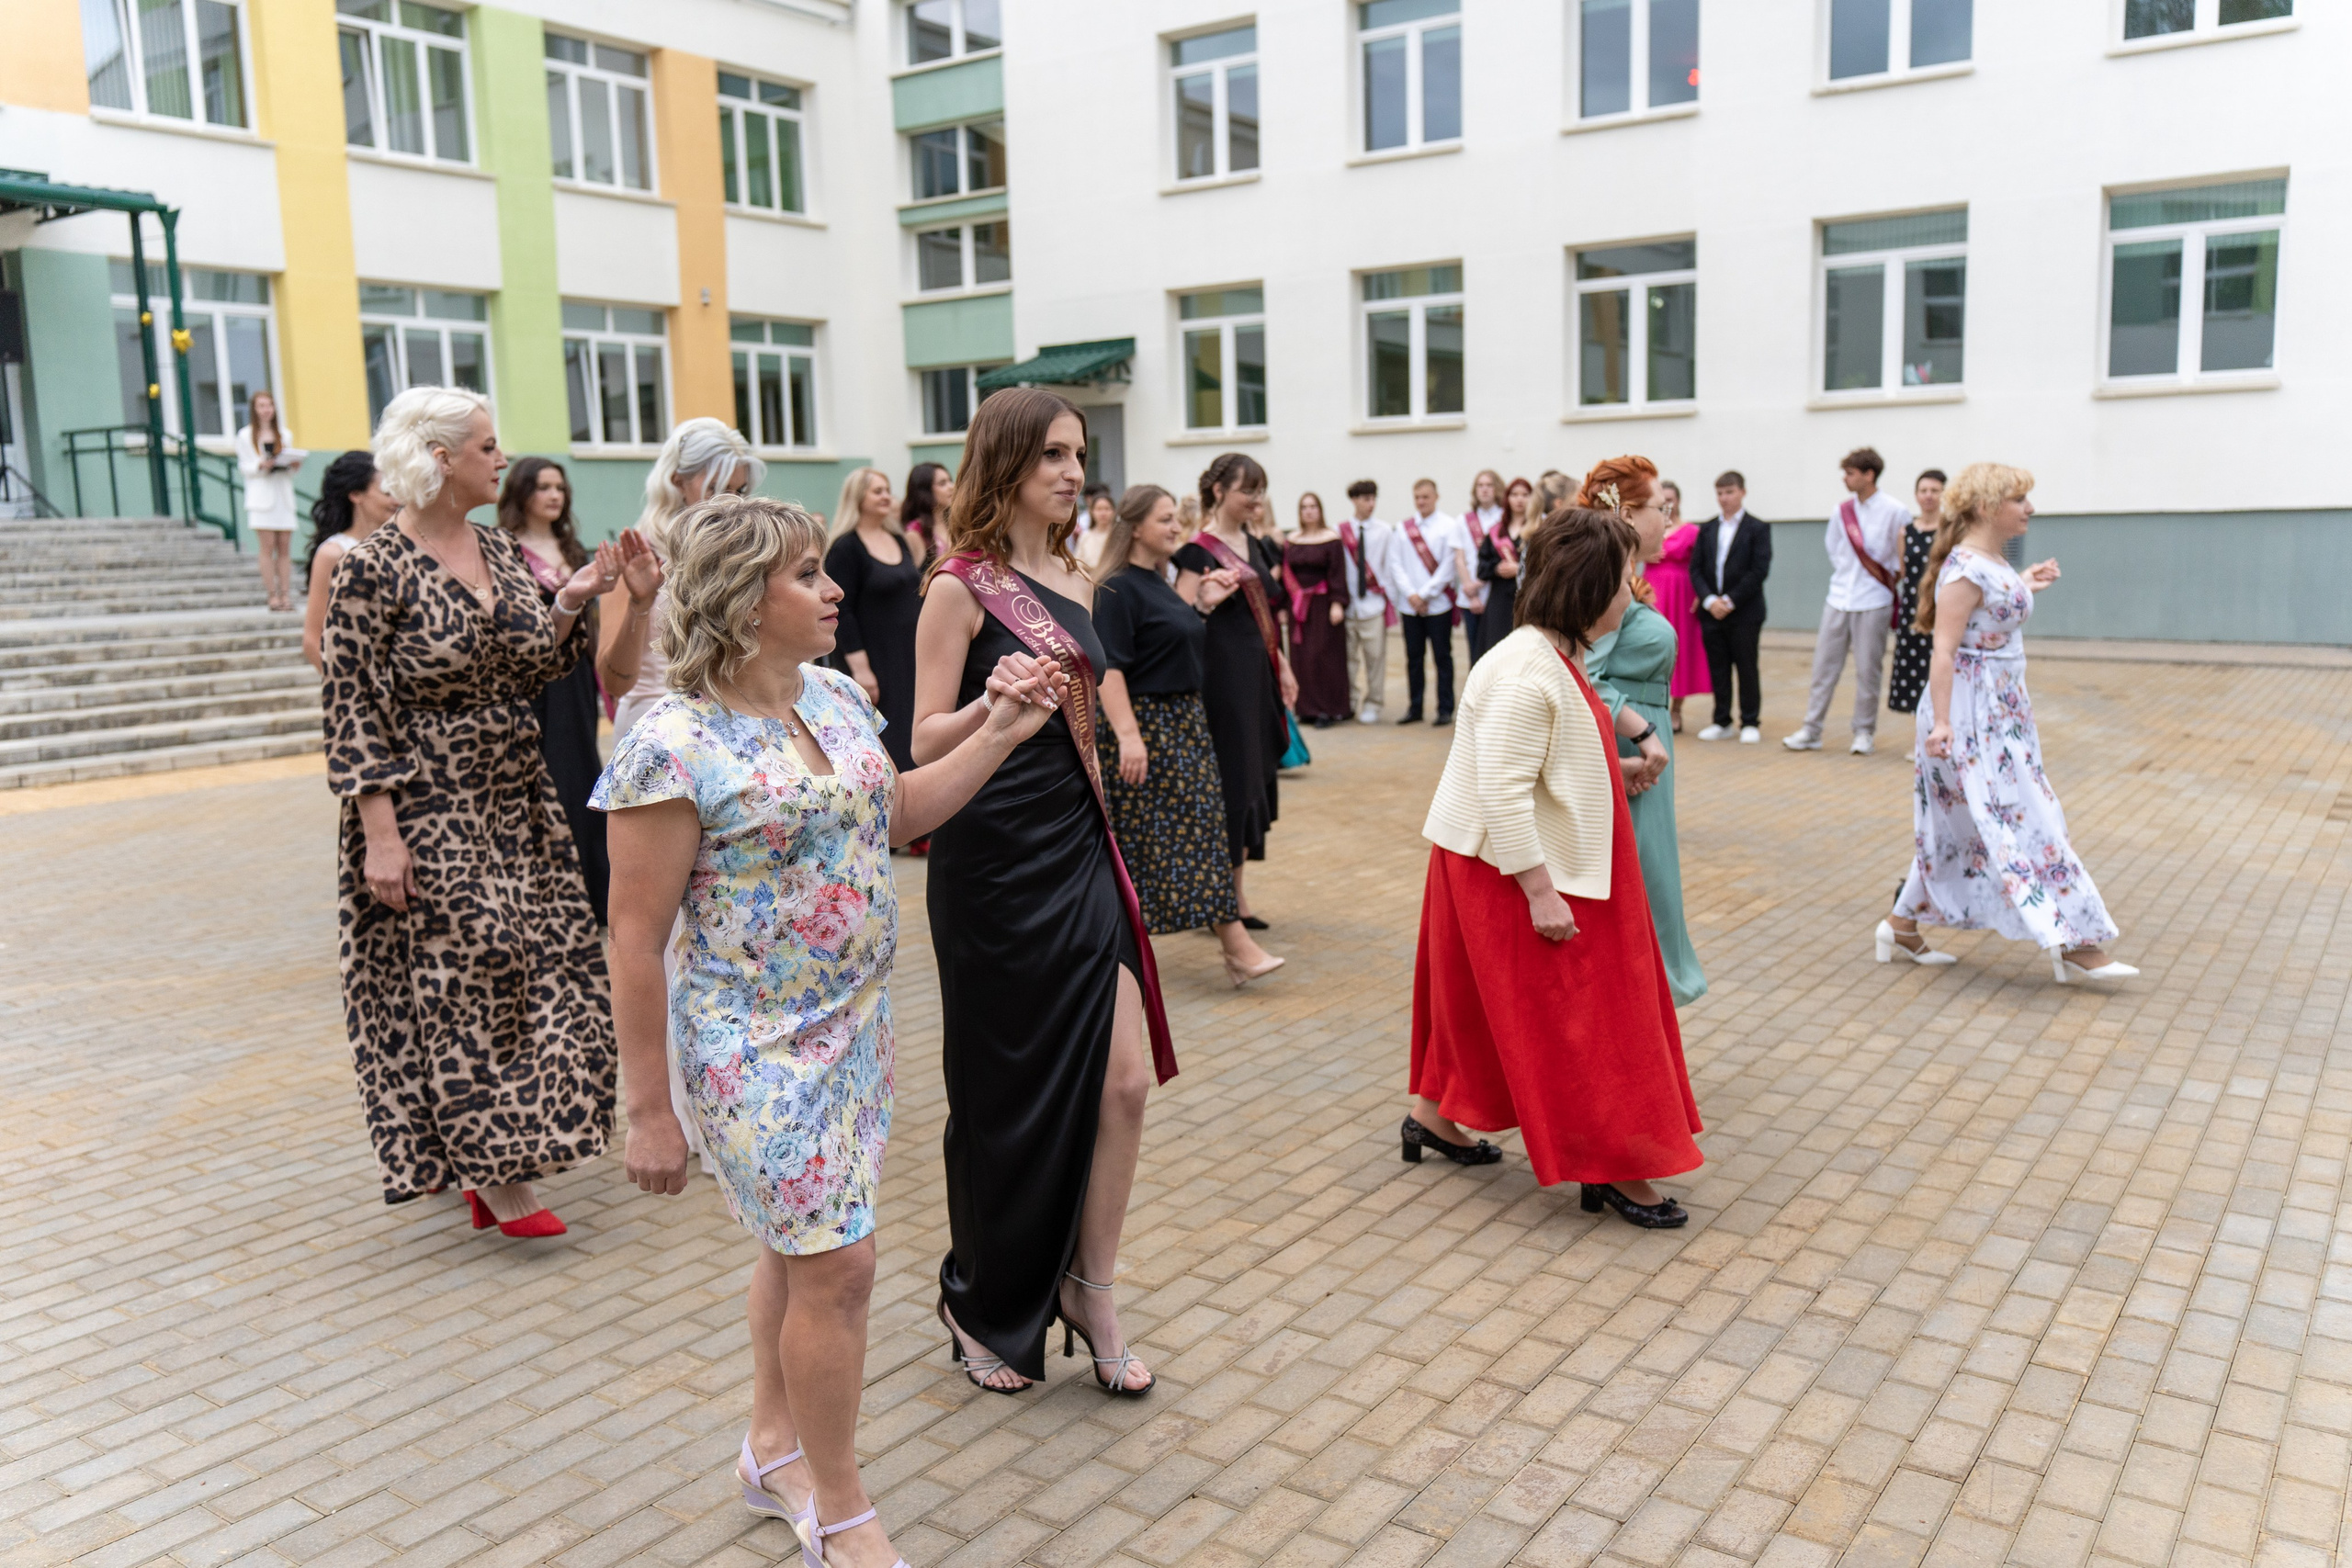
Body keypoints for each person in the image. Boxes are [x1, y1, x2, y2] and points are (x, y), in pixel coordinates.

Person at [600, 492, 1061, 1568]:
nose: (835, 588)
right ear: (737, 597)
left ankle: (771, 1450)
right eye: (806, 573)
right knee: (841, 1266)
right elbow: (633, 938)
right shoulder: (670, 742)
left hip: (855, 1031)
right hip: (749, 1047)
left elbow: (897, 815)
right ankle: (842, 1511)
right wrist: (649, 1109)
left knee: (801, 1249)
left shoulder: (837, 698)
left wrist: (1000, 730)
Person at [322, 386, 640, 1235]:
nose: (502, 459)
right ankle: (493, 1173)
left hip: (517, 793)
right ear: (439, 458)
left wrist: (572, 597)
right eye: (488, 446)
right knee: (468, 974)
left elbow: (535, 662)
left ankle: (507, 1146)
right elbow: (352, 704)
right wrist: (380, 836)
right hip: (426, 801)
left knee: (552, 962)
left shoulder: (497, 548)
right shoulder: (371, 566)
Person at [912, 388, 1180, 1396]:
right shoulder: (959, 588)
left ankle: (1088, 1287)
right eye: (1054, 455)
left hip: (1077, 847)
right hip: (993, 864)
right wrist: (992, 702)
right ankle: (977, 1297)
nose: (1074, 472)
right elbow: (921, 741)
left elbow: (1093, 708)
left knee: (1124, 1082)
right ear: (1008, 462)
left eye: (1079, 454)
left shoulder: (1075, 573)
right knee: (1006, 1096)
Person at [1406, 503, 1703, 1226]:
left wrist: (1613, 770)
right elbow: (1504, 789)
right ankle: (1614, 1164)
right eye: (1622, 581)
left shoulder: (1547, 653)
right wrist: (1540, 893)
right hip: (1514, 870)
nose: (1631, 593)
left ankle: (1433, 1117)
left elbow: (1543, 758)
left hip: (1511, 859)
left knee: (1481, 1005)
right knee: (1590, 1016)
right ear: (1587, 589)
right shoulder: (1524, 669)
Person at [1881, 464, 2140, 985]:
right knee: (2025, 817)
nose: (2030, 509)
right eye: (2019, 499)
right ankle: (2075, 939)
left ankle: (1901, 924)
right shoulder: (1963, 570)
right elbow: (1944, 652)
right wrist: (1942, 725)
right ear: (1986, 507)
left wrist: (2023, 584)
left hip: (2003, 713)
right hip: (1969, 717)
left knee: (1968, 824)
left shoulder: (1992, 562)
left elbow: (1986, 617)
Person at [1091, 485, 1283, 984]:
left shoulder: (1157, 580)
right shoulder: (1116, 588)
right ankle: (1235, 946)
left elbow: (1164, 645)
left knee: (1190, 835)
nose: (1177, 527)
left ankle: (1129, 950)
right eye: (1165, 519)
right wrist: (1129, 736)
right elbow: (1111, 669)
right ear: (1136, 528)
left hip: (1183, 723)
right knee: (1188, 835)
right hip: (1150, 727)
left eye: (1175, 518)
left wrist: (1201, 608)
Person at [1582, 458, 1708, 1007]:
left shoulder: (1626, 576)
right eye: (1663, 508)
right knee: (1640, 886)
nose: (1670, 520)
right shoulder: (1609, 579)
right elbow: (1581, 675)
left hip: (1640, 748)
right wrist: (1645, 733)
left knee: (1649, 883)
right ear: (1628, 514)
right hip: (1628, 754)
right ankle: (1637, 1009)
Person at [1176, 453, 1297, 932]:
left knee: (1253, 780)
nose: (1256, 499)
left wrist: (1283, 667)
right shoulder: (1196, 552)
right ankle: (1224, 901)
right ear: (1219, 490)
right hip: (1222, 680)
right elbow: (1179, 621)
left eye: (1260, 490)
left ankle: (1234, 894)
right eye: (1248, 490)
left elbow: (1265, 616)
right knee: (1233, 783)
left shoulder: (1257, 544)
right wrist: (1205, 603)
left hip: (1259, 674)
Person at [498, 457, 613, 925]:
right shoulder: (503, 550)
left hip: (576, 677)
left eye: (559, 488)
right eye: (543, 487)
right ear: (521, 492)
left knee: (584, 771)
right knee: (549, 774)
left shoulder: (572, 548)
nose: (553, 496)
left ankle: (594, 889)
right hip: (534, 681)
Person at [601, 419, 764, 742]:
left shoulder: (740, 556)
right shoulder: (639, 557)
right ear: (678, 482)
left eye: (739, 491)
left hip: (730, 720)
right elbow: (614, 682)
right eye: (717, 489)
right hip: (655, 727)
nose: (731, 503)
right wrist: (641, 602)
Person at [1786, 446, 1905, 755]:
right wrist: (1847, 574)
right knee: (1823, 668)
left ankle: (1864, 732)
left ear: (1869, 475)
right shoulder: (1842, 511)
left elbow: (1900, 556)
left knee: (1868, 671)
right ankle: (1811, 729)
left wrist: (1880, 579)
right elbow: (1834, 547)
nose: (1845, 479)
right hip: (1839, 597)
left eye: (1850, 473)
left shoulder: (1895, 510)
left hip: (1874, 599)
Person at [824, 468, 925, 776]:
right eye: (877, 491)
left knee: (912, 730)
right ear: (858, 497)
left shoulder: (898, 539)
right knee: (890, 737)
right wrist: (861, 670)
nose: (886, 496)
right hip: (875, 661)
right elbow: (842, 611)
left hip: (908, 656)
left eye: (887, 490)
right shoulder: (846, 547)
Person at [1691, 471, 1770, 744]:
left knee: (1746, 666)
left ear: (1742, 492)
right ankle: (1721, 720)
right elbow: (1696, 569)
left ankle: (1750, 720)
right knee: (1718, 667)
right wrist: (1709, 600)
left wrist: (1730, 600)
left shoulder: (1757, 528)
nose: (1724, 498)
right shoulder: (1707, 528)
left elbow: (1758, 570)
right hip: (1712, 611)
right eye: (1720, 493)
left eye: (1729, 492)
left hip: (1744, 611)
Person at [301, 450, 398, 671]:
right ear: (356, 494)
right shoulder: (334, 553)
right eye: (387, 492)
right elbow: (313, 639)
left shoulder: (401, 546)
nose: (397, 501)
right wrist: (347, 686)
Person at [1385, 478, 1465, 726]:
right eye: (1417, 497)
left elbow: (1449, 566)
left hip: (1438, 604)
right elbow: (1395, 564)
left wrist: (1426, 594)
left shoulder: (1449, 526)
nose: (1421, 502)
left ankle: (1445, 709)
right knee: (1414, 658)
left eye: (1426, 497)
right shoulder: (1403, 529)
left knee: (1442, 657)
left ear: (1436, 497)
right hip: (1410, 606)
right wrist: (1412, 594)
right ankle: (1415, 707)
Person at [1282, 492, 1351, 727]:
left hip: (1323, 605)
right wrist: (1283, 606)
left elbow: (1338, 573)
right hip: (1298, 606)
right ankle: (1306, 708)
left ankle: (1326, 710)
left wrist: (1338, 603)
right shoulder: (1292, 539)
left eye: (1313, 506)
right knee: (1301, 656)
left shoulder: (1331, 539)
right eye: (1304, 507)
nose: (1309, 511)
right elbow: (1286, 575)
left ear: (1320, 510)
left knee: (1323, 656)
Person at [1886, 468, 1947, 733]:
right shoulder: (1906, 532)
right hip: (1912, 610)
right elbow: (1903, 570)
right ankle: (1922, 736)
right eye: (1923, 491)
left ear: (1944, 494)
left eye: (1934, 490)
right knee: (1914, 673)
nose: (1928, 496)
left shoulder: (1950, 530)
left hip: (1941, 608)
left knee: (1939, 668)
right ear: (1916, 495)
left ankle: (1941, 729)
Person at [237, 389, 307, 612]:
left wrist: (292, 465)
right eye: (261, 406)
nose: (266, 410)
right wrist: (261, 464)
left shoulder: (284, 434)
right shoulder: (245, 435)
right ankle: (272, 595)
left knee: (284, 548)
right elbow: (244, 466)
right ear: (254, 409)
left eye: (269, 405)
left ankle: (286, 594)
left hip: (282, 495)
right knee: (267, 548)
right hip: (261, 496)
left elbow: (289, 467)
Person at [1645, 491, 1709, 735]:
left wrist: (1701, 593)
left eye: (1671, 499)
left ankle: (1676, 709)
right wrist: (1647, 553)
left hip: (1682, 593)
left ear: (1679, 500)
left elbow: (1702, 564)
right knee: (1651, 645)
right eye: (1663, 500)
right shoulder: (1648, 528)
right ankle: (1652, 706)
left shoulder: (1691, 531)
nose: (1667, 504)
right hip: (1653, 588)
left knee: (1679, 648)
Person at [1338, 479, 1396, 724]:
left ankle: (1374, 703)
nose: (1370, 504)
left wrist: (1389, 598)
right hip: (1349, 606)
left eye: (1373, 499)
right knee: (1348, 659)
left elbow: (1389, 567)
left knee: (1375, 659)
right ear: (1354, 500)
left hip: (1373, 605)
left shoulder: (1384, 530)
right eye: (1365, 499)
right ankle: (1350, 700)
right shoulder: (1339, 530)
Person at [1457, 469, 1506, 662]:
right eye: (1480, 485)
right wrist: (1472, 590)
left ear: (1497, 489)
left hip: (1496, 594)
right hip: (1471, 597)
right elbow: (1459, 558)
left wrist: (1480, 583)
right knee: (1474, 651)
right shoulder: (1464, 520)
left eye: (1489, 485)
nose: (1484, 489)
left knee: (1498, 652)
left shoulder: (1505, 519)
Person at [901, 460, 954, 561]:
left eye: (950, 481)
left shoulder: (955, 524)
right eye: (942, 483)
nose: (951, 487)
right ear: (925, 491)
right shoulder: (915, 532)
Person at [1072, 481, 1115, 569]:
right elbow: (1077, 562)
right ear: (1092, 512)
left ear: (1113, 511)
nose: (1103, 513)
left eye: (1107, 509)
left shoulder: (1119, 535)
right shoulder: (1085, 536)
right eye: (1099, 509)